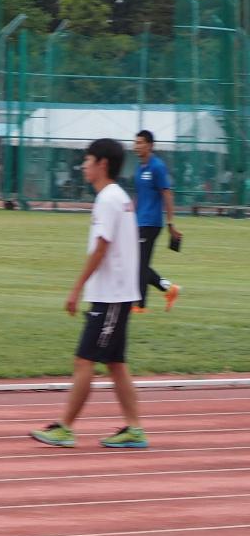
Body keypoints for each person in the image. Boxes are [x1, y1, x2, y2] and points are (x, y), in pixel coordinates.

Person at [30, 137, 147, 451]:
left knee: (84, 361)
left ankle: (66, 427)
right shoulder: (118, 196)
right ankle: (134, 429)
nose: (83, 166)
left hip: (111, 297)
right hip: (117, 295)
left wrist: (77, 287)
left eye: (87, 160)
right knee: (115, 363)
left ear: (102, 164)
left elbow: (102, 247)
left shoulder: (108, 199)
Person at [130, 130, 182, 312]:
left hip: (151, 223)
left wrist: (170, 223)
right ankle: (169, 288)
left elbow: (167, 194)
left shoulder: (157, 167)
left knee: (140, 264)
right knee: (137, 263)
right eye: (135, 143)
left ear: (150, 146)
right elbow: (139, 194)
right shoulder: (139, 168)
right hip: (138, 221)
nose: (136, 146)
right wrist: (129, 212)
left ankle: (140, 305)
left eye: (140, 143)